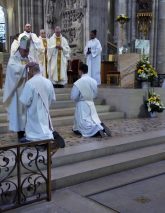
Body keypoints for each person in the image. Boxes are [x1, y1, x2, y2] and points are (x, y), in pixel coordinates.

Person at [19, 62, 65, 148]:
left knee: (34, 133)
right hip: (45, 110)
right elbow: (52, 98)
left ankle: (42, 140)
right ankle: (49, 137)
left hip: (33, 112)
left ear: (32, 71)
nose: (28, 72)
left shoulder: (30, 83)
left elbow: (25, 101)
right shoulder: (48, 82)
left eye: (29, 71)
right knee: (45, 128)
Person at [3, 36, 32, 141]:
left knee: (27, 111)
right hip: (18, 90)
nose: (27, 53)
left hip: (28, 89)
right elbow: (13, 70)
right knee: (20, 112)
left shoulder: (27, 57)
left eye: (28, 51)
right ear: (20, 49)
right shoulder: (13, 58)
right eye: (25, 51)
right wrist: (25, 67)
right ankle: (21, 134)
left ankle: (28, 132)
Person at [71, 63, 111, 137]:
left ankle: (98, 130)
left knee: (84, 123)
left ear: (80, 71)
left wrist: (78, 100)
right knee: (92, 119)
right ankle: (100, 126)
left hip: (82, 104)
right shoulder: (93, 81)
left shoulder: (78, 82)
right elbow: (95, 94)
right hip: (91, 103)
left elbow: (73, 96)